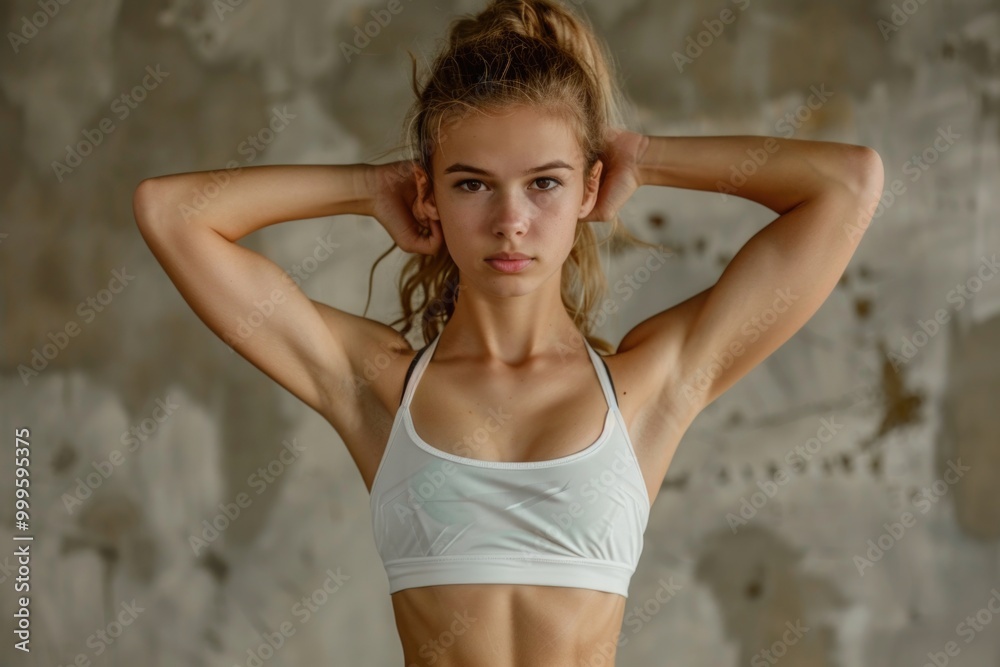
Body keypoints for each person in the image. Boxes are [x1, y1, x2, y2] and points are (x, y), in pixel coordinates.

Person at [132, 0, 884, 664]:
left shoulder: (648, 386)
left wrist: (646, 159)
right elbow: (172, 214)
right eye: (471, 183)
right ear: (428, 192)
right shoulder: (377, 386)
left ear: (589, 187)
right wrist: (369, 186)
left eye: (545, 182)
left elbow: (847, 185)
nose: (510, 220)